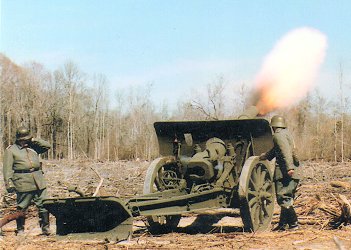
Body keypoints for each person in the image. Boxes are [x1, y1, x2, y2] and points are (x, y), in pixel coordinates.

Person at [3, 126, 51, 236]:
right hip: (23, 182)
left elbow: (47, 146)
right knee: (22, 206)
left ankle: (45, 229)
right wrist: (9, 183)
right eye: (24, 139)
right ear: (19, 139)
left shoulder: (33, 147)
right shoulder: (11, 150)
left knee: (44, 204)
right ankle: (20, 230)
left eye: (28, 139)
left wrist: (34, 140)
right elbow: (7, 169)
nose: (26, 141)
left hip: (38, 180)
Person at [259, 115, 300, 231]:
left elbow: (285, 151)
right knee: (285, 197)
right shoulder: (286, 134)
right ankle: (282, 225)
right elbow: (276, 150)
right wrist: (264, 156)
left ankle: (293, 224)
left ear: (274, 126)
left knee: (283, 197)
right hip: (290, 171)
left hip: (285, 172)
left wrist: (289, 168)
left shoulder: (278, 135)